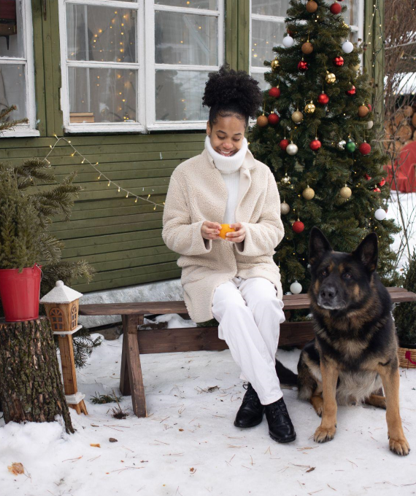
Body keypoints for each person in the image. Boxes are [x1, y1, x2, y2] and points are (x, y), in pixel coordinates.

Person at [162, 66, 295, 443]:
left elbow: (274, 229)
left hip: (253, 264)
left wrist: (247, 234)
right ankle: (273, 401)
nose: (228, 144)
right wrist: (197, 233)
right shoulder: (185, 175)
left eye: (236, 137)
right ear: (208, 129)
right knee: (234, 309)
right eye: (221, 135)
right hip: (207, 271)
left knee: (265, 305)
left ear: (245, 135)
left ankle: (254, 393)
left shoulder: (263, 174)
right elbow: (171, 232)